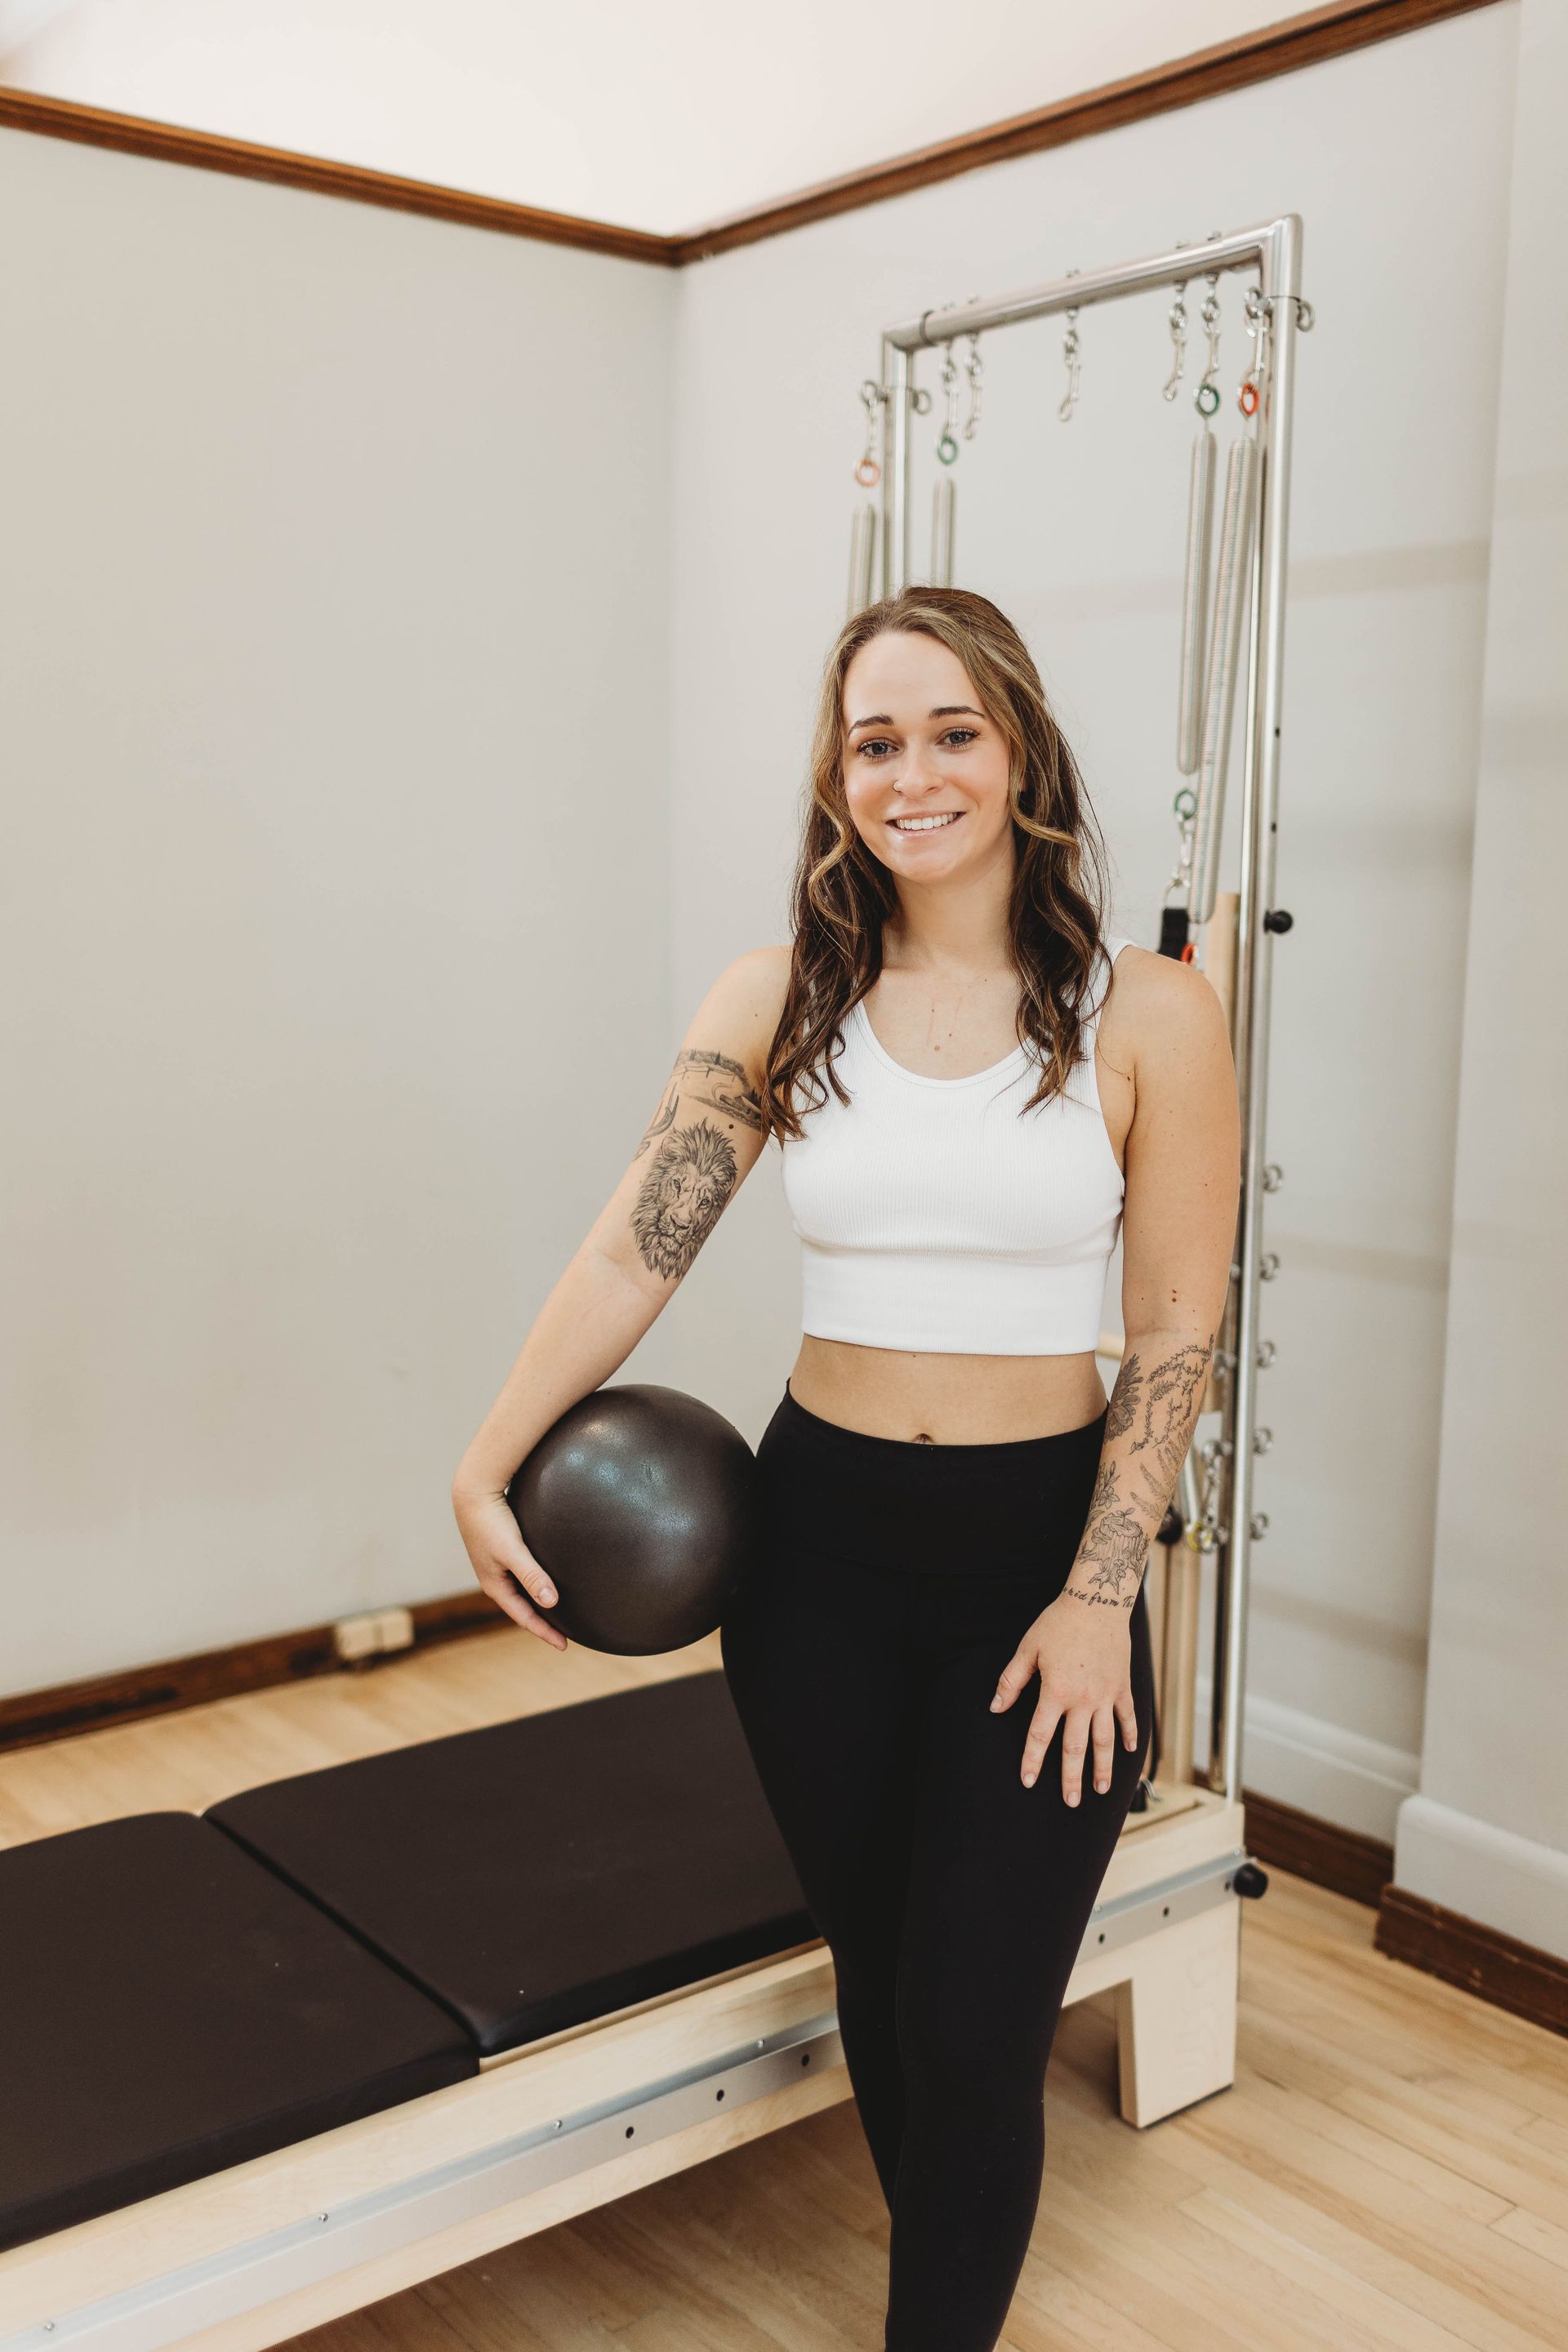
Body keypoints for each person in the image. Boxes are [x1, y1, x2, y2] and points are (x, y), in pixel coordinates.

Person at [452, 586, 1240, 2350]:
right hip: (815, 1572)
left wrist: (1101, 1598)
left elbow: (1178, 1339)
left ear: (1020, 748)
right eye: (875, 740)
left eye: (952, 729)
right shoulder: (781, 996)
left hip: (1042, 1571)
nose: (914, 772)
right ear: (838, 774)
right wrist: (485, 1461)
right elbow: (632, 1253)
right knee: (887, 1993)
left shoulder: (1150, 1015)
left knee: (975, 2021)